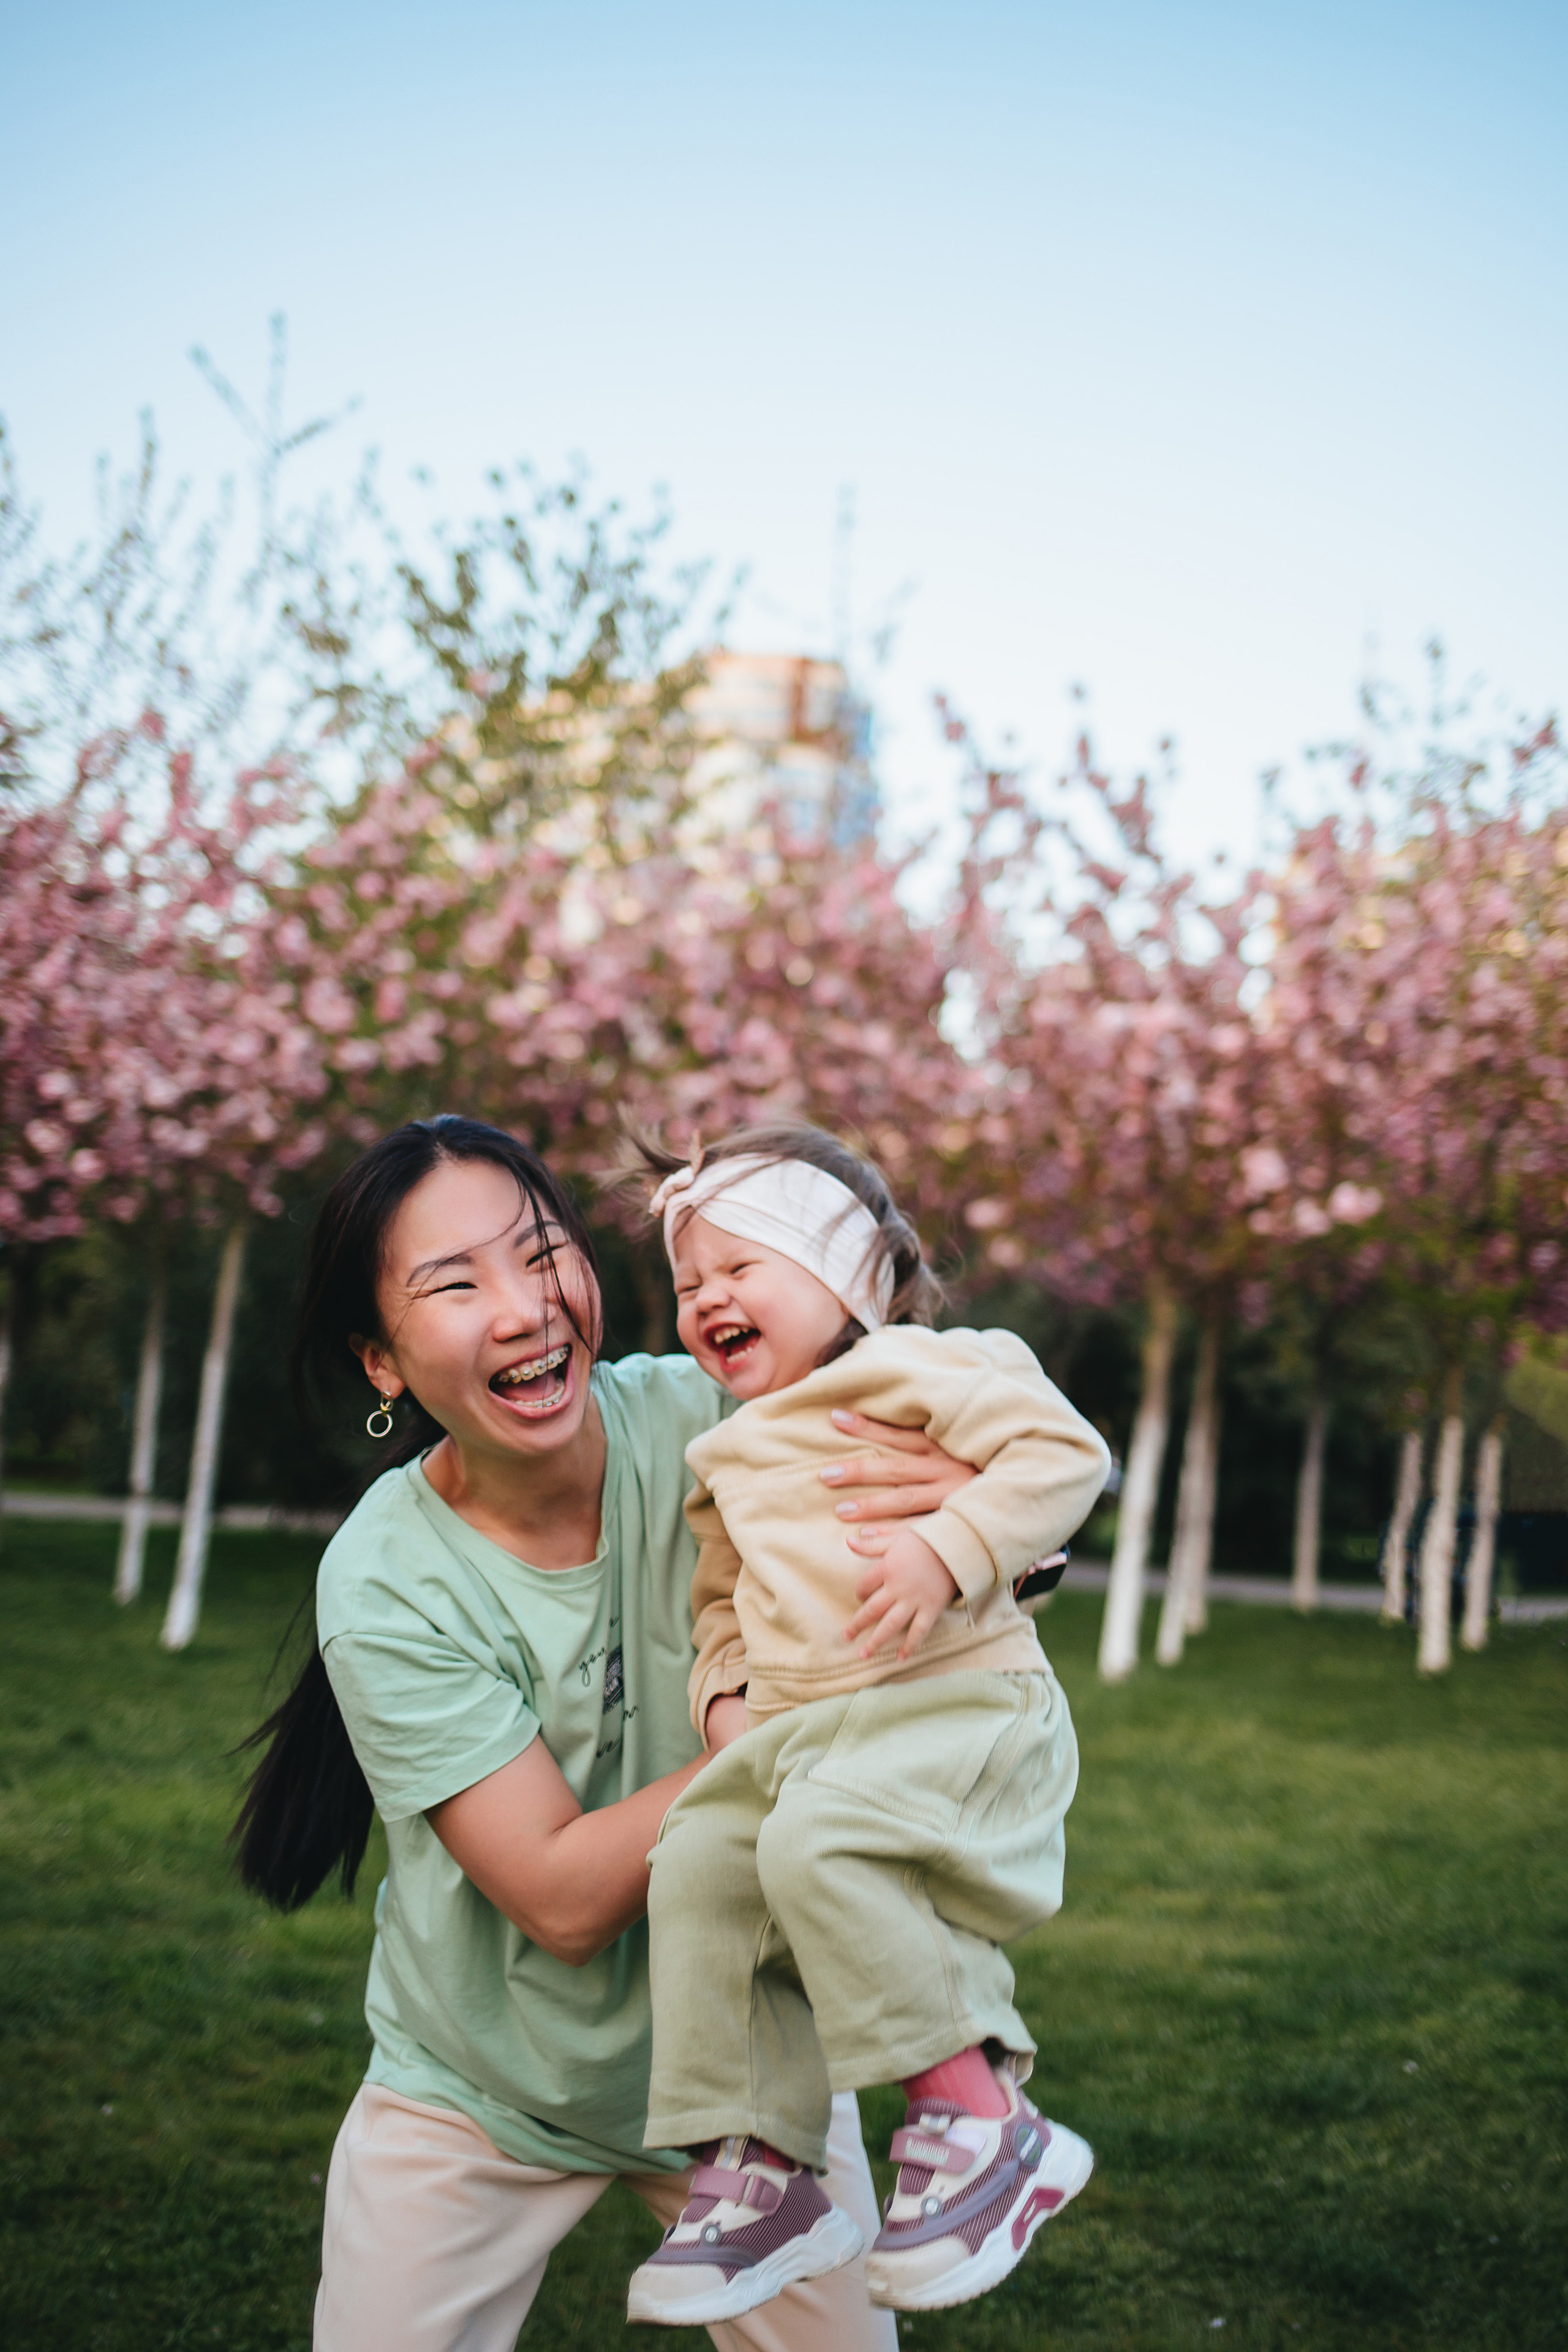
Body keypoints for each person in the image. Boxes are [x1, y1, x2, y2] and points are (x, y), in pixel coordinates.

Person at [234, 1114, 981, 2352]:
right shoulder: (383, 1579)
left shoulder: (711, 1421)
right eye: (456, 1284)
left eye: (541, 1253)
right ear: (380, 1361)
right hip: (482, 2094)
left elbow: (963, 1460)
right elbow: (564, 1898)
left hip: (751, 2076)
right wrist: (791, 1723)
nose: (526, 1309)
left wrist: (993, 1521)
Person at [620, 1126, 1110, 2327]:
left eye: (743, 1265)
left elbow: (1063, 1453)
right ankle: (754, 2172)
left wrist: (950, 1548)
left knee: (814, 1847)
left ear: (844, 1277)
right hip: (801, 1733)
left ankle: (984, 2118)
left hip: (956, 1702)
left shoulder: (931, 1368)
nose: (707, 1298)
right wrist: (720, 1697)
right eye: (688, 1283)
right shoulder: (719, 1452)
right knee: (693, 1862)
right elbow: (717, 1601)